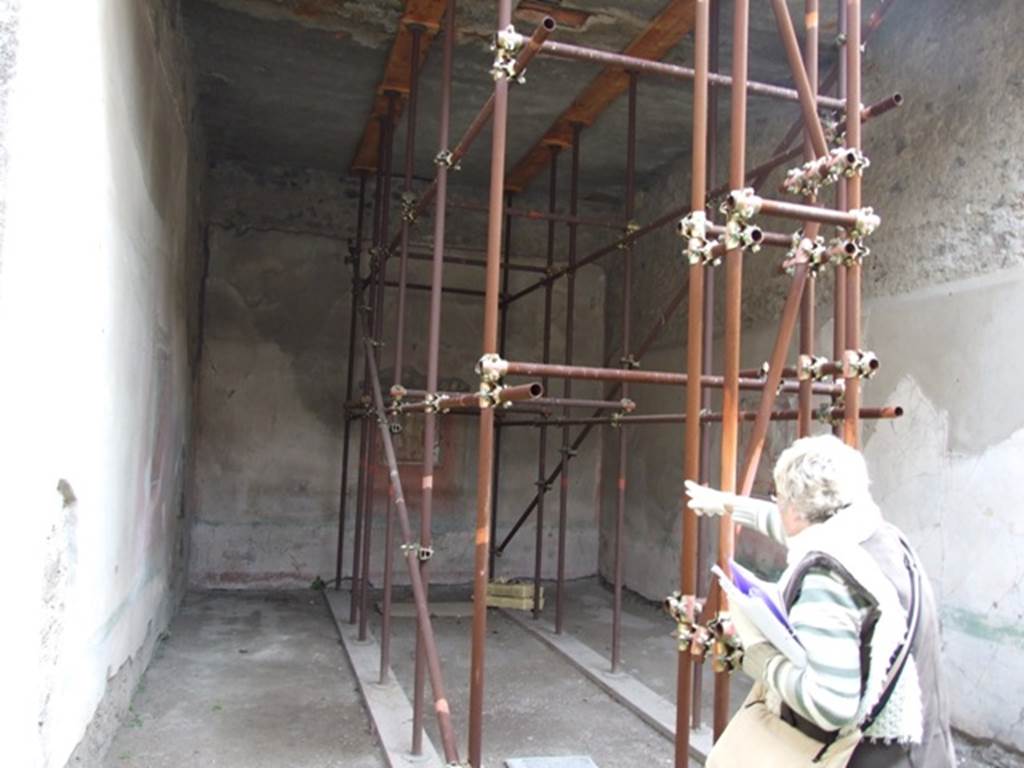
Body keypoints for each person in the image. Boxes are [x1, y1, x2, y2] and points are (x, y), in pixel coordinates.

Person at [687, 434, 955, 767]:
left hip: (871, 757)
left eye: (780, 498)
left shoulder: (827, 579)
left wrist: (759, 659)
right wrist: (726, 504)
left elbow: (830, 705)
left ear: (798, 511)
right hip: (922, 748)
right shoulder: (873, 537)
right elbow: (790, 524)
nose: (778, 507)